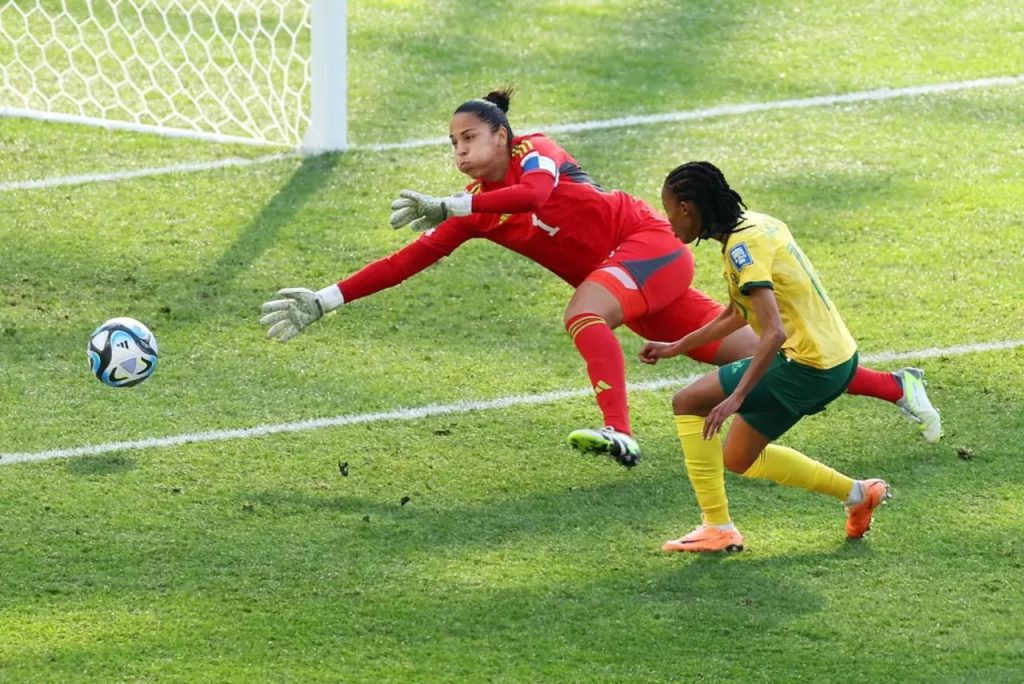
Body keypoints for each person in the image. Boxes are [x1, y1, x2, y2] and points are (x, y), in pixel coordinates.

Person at [259, 89, 940, 468]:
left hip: (647, 247)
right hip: (636, 289)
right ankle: (895, 385)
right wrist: (327, 299)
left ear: (502, 136)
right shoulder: (474, 214)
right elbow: (407, 260)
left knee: (584, 313)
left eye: (470, 138)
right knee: (771, 357)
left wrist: (453, 203)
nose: (460, 152)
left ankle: (619, 431)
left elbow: (530, 198)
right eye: (453, 145)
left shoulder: (537, 153)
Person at [642, 161, 897, 552]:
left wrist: (736, 397)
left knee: (688, 401)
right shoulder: (759, 224)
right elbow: (736, 313)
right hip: (837, 359)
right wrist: (677, 346)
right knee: (738, 457)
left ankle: (717, 527)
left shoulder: (743, 248)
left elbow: (774, 332)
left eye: (669, 209)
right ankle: (859, 494)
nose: (669, 220)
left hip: (805, 364)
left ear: (689, 208)